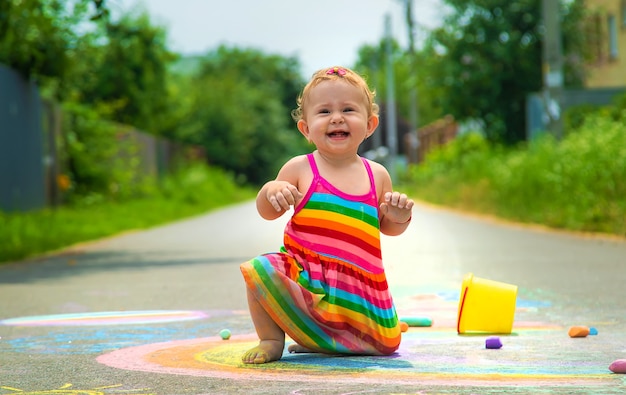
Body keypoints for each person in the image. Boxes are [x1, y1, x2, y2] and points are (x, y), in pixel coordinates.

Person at [240, 66, 415, 364]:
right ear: (306, 129)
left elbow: (388, 228)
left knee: (387, 345)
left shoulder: (377, 175)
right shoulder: (300, 168)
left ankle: (330, 340)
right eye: (324, 112)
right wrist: (272, 190)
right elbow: (267, 212)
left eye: (348, 109)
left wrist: (399, 217)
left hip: (357, 295)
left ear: (370, 125)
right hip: (309, 284)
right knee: (261, 270)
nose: (337, 118)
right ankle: (271, 338)